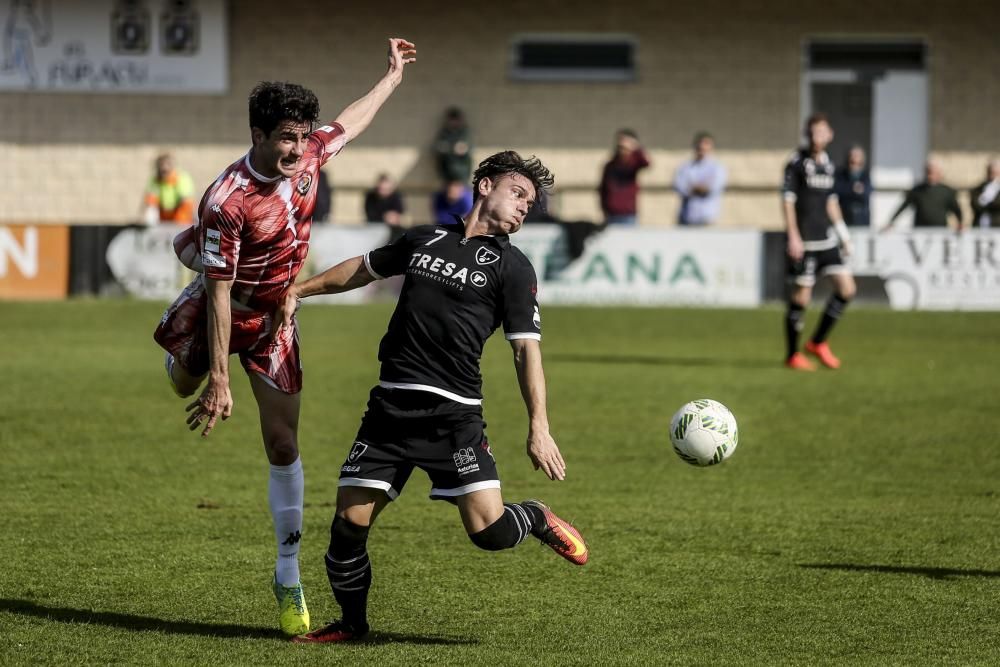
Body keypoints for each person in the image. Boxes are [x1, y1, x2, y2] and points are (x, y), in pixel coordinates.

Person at [151, 38, 417, 637]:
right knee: (184, 384)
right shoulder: (228, 199)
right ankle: (187, 351)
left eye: (304, 136)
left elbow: (351, 120)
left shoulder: (311, 157)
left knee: (281, 444)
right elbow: (221, 293)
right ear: (258, 135)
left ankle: (288, 572)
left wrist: (393, 77)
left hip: (276, 318)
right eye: (287, 138)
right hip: (227, 306)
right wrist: (219, 379)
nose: (299, 149)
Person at [276, 151, 589, 644]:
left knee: (489, 533)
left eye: (532, 203)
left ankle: (534, 515)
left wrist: (539, 426)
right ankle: (353, 627)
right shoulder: (425, 238)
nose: (526, 207)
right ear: (484, 185)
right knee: (346, 529)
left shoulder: (513, 268)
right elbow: (363, 269)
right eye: (519, 194)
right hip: (390, 410)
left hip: (454, 416)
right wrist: (301, 290)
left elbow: (526, 351)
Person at [781, 113, 856, 371]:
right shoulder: (796, 162)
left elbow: (831, 202)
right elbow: (788, 200)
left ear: (830, 135)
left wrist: (843, 234)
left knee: (847, 289)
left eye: (821, 132)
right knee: (802, 297)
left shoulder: (830, 165)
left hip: (826, 240)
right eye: (812, 132)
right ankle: (792, 354)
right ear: (807, 134)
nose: (816, 137)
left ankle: (818, 342)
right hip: (805, 242)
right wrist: (792, 235)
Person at [885, 158, 964, 230]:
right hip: (920, 232)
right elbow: (904, 206)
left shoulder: (946, 191)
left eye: (932, 172)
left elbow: (956, 209)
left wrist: (960, 223)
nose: (929, 175)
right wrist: (891, 222)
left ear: (939, 173)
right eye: (928, 172)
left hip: (940, 232)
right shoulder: (917, 191)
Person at [673, 131, 727, 225]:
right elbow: (679, 186)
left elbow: (714, 188)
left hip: (707, 217)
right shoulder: (686, 167)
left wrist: (697, 188)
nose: (702, 147)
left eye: (706, 144)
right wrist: (695, 188)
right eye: (700, 144)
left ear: (711, 147)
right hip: (687, 217)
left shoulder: (717, 168)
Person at [599, 129, 650, 226]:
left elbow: (646, 163)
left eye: (625, 147)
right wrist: (604, 208)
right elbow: (603, 190)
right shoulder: (610, 166)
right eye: (620, 146)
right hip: (611, 214)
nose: (622, 149)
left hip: (628, 215)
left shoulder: (633, 164)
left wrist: (636, 147)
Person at [143, 153, 195, 225]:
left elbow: (186, 200)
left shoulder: (182, 178)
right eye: (161, 165)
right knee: (150, 207)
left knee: (187, 205)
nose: (164, 168)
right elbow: (150, 201)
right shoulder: (155, 180)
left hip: (180, 217)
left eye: (167, 164)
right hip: (163, 216)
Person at [834, 145, 872, 228]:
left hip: (862, 221)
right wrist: (852, 188)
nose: (855, 166)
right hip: (845, 219)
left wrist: (854, 191)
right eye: (852, 162)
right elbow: (838, 190)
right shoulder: (840, 174)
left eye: (859, 163)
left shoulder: (865, 175)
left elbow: (867, 193)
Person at [433, 106, 473, 184]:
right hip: (447, 172)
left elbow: (469, 148)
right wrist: (450, 148)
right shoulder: (444, 133)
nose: (454, 123)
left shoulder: (464, 133)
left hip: (462, 172)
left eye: (456, 120)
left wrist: (464, 148)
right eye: (452, 120)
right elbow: (437, 148)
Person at [364, 172, 405, 242]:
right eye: (381, 189)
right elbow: (370, 214)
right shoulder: (371, 196)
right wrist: (385, 217)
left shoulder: (396, 196)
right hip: (374, 229)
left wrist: (393, 216)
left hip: (392, 229)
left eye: (386, 189)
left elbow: (400, 210)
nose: (383, 192)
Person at [970, 158, 1000, 228]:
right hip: (979, 226)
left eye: (997, 173)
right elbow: (976, 204)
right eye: (992, 173)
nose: (994, 177)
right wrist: (986, 196)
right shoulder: (980, 188)